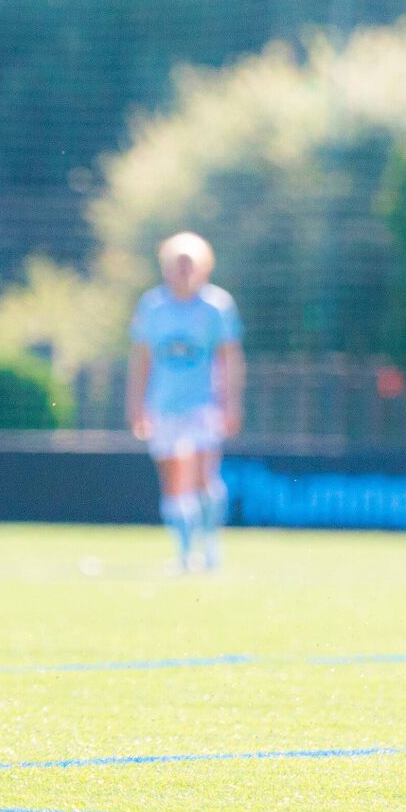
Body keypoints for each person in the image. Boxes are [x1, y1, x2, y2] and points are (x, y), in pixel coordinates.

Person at [126, 233, 244, 572]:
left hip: (203, 405)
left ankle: (210, 542)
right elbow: (142, 359)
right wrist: (137, 404)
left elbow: (229, 359)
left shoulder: (217, 306)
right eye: (177, 265)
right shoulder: (152, 307)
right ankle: (184, 552)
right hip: (163, 406)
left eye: (190, 265)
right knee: (175, 482)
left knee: (204, 478)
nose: (184, 272)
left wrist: (230, 404)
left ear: (204, 267)